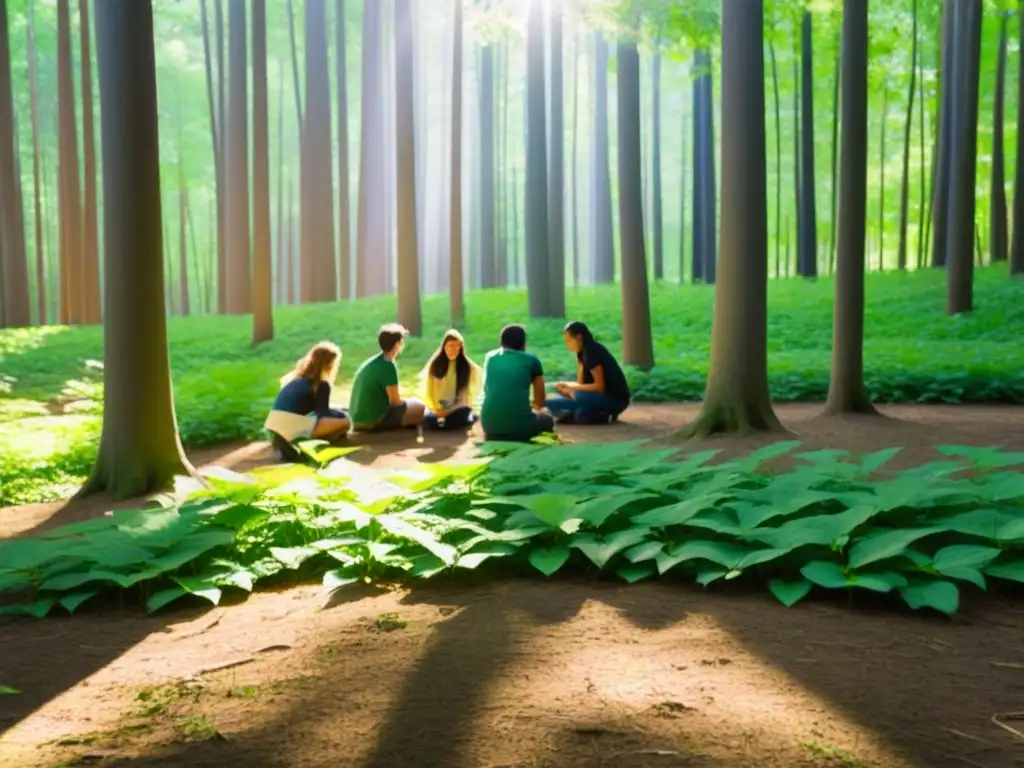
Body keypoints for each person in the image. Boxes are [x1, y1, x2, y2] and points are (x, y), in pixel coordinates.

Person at [264, 341, 351, 461]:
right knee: (345, 421)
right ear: (329, 364)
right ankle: (317, 446)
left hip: (273, 430)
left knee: (336, 414)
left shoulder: (296, 380)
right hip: (290, 430)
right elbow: (323, 414)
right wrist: (341, 414)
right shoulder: (321, 384)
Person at [479, 324, 555, 442]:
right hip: (521, 428)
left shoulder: (490, 358)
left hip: (489, 426)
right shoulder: (531, 360)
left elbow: (488, 390)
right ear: (523, 343)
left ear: (501, 342)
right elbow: (540, 399)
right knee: (547, 417)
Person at [546, 321, 631, 424]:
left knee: (549, 401)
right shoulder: (581, 353)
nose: (566, 344)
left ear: (578, 337)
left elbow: (600, 387)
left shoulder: (592, 352)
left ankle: (598, 412)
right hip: (594, 397)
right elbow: (581, 383)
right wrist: (564, 385)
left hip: (615, 400)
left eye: (568, 340)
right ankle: (597, 415)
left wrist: (570, 389)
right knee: (580, 414)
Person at [348, 323, 426, 432]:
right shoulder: (388, 365)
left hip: (355, 420)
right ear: (397, 345)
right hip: (372, 422)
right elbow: (395, 402)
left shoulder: (372, 361)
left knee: (411, 406)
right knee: (419, 406)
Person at [420, 329, 483, 430]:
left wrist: (448, 411)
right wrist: (437, 412)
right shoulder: (435, 365)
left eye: (458, 347)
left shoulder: (465, 367)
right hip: (437, 410)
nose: (454, 350)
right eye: (451, 346)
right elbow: (430, 394)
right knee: (428, 419)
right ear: (444, 346)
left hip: (456, 409)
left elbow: (464, 400)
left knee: (463, 412)